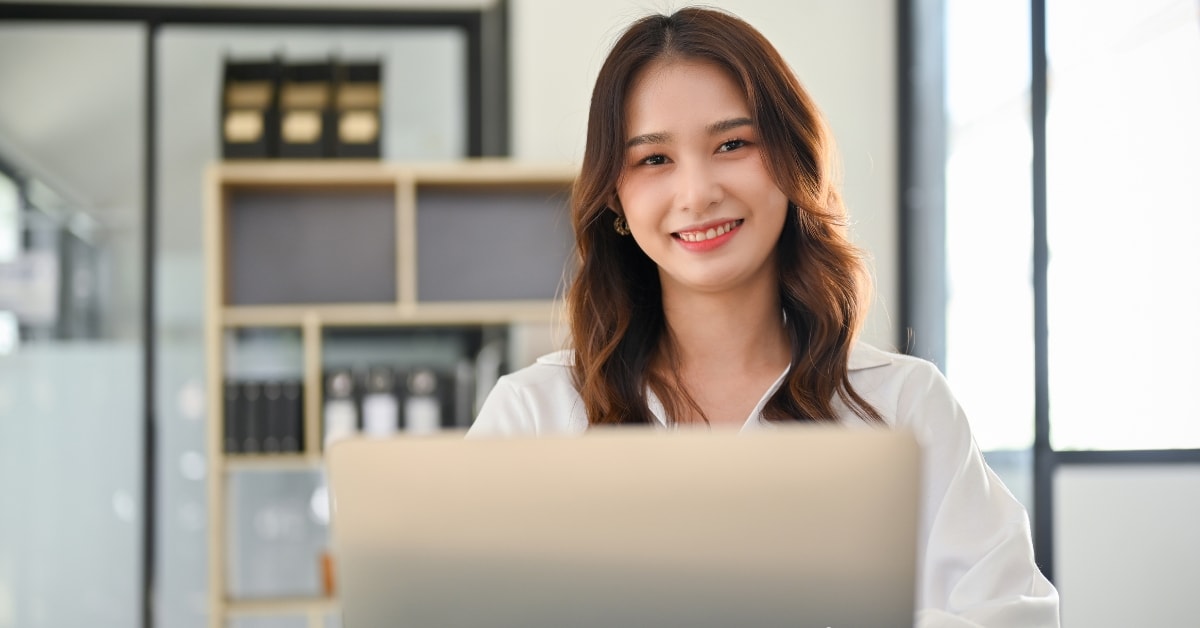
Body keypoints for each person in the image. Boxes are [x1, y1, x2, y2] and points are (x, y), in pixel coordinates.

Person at [468, 6, 1060, 626]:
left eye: (733, 144)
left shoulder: (903, 405)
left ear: (790, 161)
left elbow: (1014, 615)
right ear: (615, 195)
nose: (697, 194)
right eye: (654, 159)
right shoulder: (532, 414)